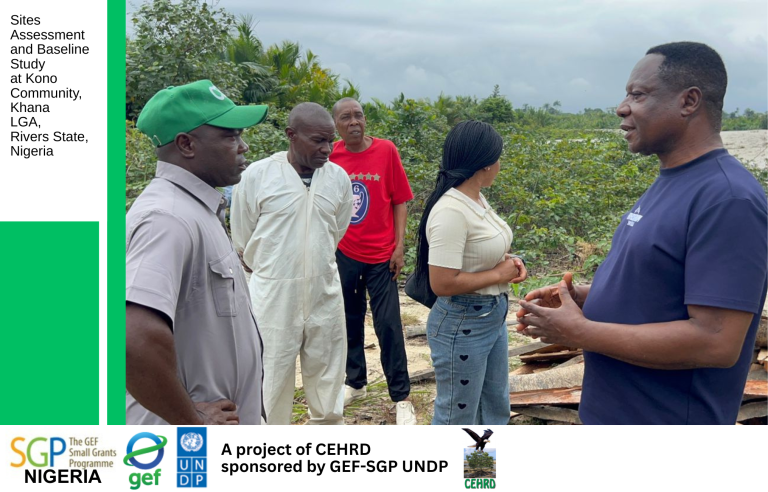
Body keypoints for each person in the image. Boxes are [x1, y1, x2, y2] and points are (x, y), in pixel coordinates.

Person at [516, 42, 768, 425]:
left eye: (638, 94)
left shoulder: (727, 198)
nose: (622, 107)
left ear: (689, 101)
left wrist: (580, 331)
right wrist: (585, 298)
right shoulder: (671, 180)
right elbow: (659, 286)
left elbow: (716, 341)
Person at [126, 80, 269, 425]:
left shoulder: (196, 209)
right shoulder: (168, 219)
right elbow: (133, 338)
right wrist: (192, 421)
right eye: (230, 136)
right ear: (186, 144)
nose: (243, 145)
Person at [231, 102, 353, 425]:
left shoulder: (338, 179)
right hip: (272, 295)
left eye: (331, 141)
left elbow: (336, 231)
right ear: (291, 136)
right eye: (318, 141)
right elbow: (242, 238)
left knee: (328, 380)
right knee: (270, 380)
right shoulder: (258, 176)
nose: (327, 149)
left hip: (324, 292)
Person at [415, 120, 527, 425]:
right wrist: (499, 275)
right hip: (463, 324)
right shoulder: (451, 210)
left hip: (491, 316)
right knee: (458, 416)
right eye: (498, 157)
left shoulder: (475, 198)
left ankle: (482, 472)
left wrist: (511, 263)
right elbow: (442, 282)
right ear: (486, 164)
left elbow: (478, 250)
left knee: (493, 409)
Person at [330, 97, 417, 425]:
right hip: (344, 253)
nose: (354, 122)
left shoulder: (386, 151)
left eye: (359, 116)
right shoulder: (331, 157)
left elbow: (400, 201)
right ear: (336, 125)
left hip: (382, 257)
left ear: (365, 120)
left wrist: (399, 246)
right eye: (345, 118)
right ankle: (355, 381)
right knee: (348, 321)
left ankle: (401, 396)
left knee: (389, 325)